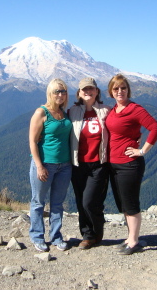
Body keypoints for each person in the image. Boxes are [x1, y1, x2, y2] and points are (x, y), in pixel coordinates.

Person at [105, 74, 157, 255]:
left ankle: (135, 241)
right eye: (116, 89)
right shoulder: (114, 110)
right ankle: (130, 238)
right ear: (111, 92)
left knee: (130, 204)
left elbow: (155, 127)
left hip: (129, 164)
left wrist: (142, 150)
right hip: (113, 164)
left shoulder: (135, 109)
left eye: (123, 88)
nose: (120, 91)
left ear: (128, 90)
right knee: (123, 204)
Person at [28, 78, 73, 252]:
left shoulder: (64, 113)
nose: (60, 94)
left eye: (63, 91)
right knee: (38, 202)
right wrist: (39, 166)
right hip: (45, 163)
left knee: (57, 203)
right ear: (50, 93)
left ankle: (56, 237)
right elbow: (32, 141)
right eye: (57, 91)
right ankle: (37, 236)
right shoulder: (41, 112)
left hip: (65, 165)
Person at [68, 78, 111, 250]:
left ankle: (96, 231)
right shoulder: (72, 111)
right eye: (84, 89)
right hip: (78, 164)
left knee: (90, 201)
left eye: (91, 89)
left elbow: (119, 128)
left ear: (97, 92)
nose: (88, 92)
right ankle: (87, 235)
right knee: (81, 201)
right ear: (79, 93)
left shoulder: (106, 111)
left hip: (99, 163)